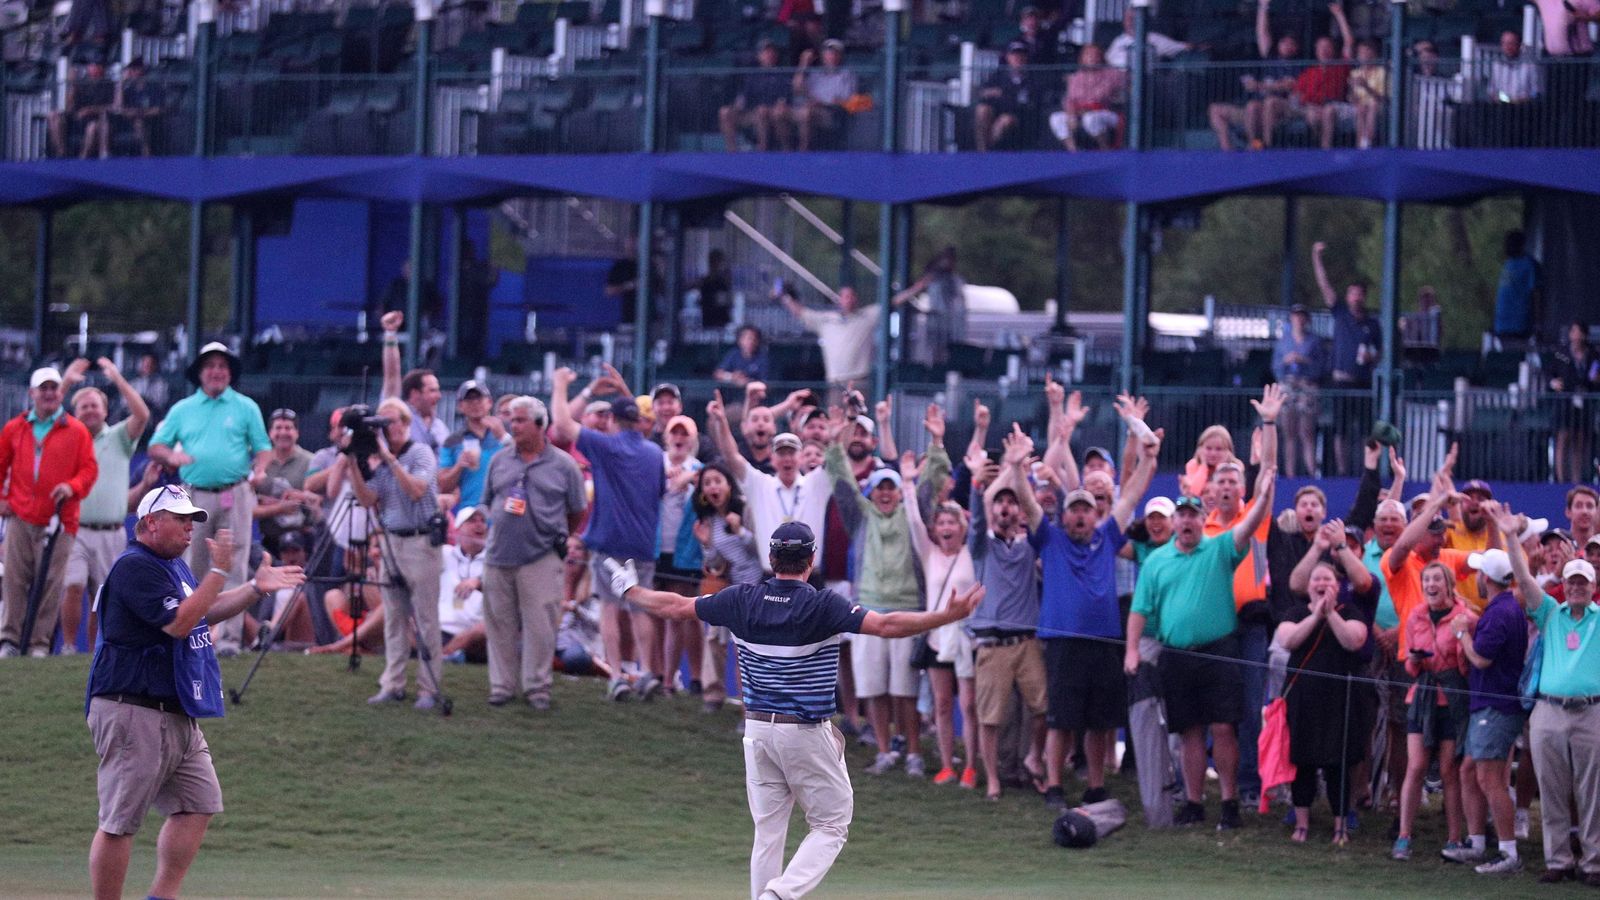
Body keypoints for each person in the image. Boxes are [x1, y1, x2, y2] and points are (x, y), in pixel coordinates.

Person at [606, 521, 985, 900]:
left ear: (771, 559)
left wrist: (631, 589)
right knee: (832, 823)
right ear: (811, 560)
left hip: (756, 732)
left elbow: (674, 606)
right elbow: (886, 625)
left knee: (768, 833)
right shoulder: (822, 604)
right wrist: (945, 617)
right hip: (804, 731)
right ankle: (780, 895)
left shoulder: (740, 599)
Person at [86, 486, 302, 900]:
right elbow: (180, 623)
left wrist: (254, 589)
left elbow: (205, 608)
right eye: (179, 519)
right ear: (149, 523)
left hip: (177, 707)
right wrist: (219, 572)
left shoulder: (176, 568)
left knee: (198, 803)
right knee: (120, 822)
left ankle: (160, 897)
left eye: (192, 520)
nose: (189, 528)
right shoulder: (135, 566)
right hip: (132, 707)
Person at [1124, 464, 1276, 830]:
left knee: (1224, 728)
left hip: (1218, 649)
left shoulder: (1220, 547)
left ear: (1203, 520)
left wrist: (1265, 492)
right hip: (1175, 655)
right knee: (1189, 731)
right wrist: (1131, 650)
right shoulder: (1157, 560)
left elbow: (1253, 521)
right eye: (1183, 516)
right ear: (1175, 521)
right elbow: (1139, 609)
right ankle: (1193, 801)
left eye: (1194, 516)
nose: (1188, 523)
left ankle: (1228, 801)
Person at [1035, 395, 1161, 809]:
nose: (1080, 516)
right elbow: (1024, 495)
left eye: (1087, 511)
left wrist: (1148, 457)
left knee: (1099, 723)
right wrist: (1020, 467)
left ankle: (1094, 786)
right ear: (1065, 515)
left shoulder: (1107, 536)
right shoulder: (1050, 539)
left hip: (1104, 640)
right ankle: (1055, 785)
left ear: (1095, 516)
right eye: (1074, 510)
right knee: (1061, 720)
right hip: (1063, 643)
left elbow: (1135, 488)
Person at [826, 406, 948, 777]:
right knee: (874, 688)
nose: (884, 493)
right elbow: (841, 480)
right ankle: (883, 750)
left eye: (890, 487)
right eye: (878, 487)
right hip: (867, 613)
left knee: (905, 690)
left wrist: (937, 441)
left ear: (898, 491)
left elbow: (930, 482)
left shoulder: (914, 515)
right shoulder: (860, 516)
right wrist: (834, 442)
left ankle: (912, 751)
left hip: (908, 611)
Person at [549, 364, 667, 702]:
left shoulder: (606, 446)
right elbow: (659, 491)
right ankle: (646, 672)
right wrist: (623, 391)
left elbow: (561, 423)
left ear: (614, 422)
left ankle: (616, 675)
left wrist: (561, 384)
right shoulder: (654, 452)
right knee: (641, 608)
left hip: (610, 541)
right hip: (643, 543)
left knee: (611, 609)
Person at [1497, 503, 1600, 885]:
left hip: (1592, 712)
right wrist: (1510, 537)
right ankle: (1558, 861)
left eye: (1582, 582)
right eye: (1571, 580)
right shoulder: (1551, 612)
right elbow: (1524, 581)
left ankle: (1593, 864)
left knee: (1592, 793)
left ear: (1593, 587)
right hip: (1549, 712)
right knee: (1552, 790)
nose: (1575, 586)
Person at [147, 341, 271, 654]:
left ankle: (229, 640)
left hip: (235, 492)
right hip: (193, 496)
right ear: (200, 373)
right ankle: (192, 632)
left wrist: (260, 469)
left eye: (222, 367)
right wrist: (172, 459)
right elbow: (157, 446)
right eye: (211, 366)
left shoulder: (246, 407)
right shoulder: (183, 409)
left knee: (236, 560)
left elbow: (263, 448)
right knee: (191, 563)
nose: (217, 372)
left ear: (229, 373)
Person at [477, 396, 586, 709]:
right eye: (512, 419)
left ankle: (537, 687)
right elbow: (488, 500)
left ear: (541, 425)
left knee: (541, 626)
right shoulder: (499, 460)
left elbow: (576, 511)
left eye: (521, 420)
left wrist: (553, 534)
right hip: (498, 555)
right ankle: (502, 686)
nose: (514, 425)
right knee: (500, 625)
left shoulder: (564, 466)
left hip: (541, 556)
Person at [1276, 526, 1376, 845]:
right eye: (1317, 580)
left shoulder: (1352, 610)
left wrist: (1331, 615)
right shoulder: (1294, 611)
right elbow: (1288, 640)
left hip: (1340, 700)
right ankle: (1302, 825)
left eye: (1328, 580)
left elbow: (1354, 640)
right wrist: (1315, 615)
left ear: (1338, 585)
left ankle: (1339, 827)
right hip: (1303, 698)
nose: (1322, 584)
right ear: (1309, 587)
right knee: (1302, 760)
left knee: (1339, 763)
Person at [345, 398, 447, 710]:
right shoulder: (381, 460)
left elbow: (417, 489)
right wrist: (351, 461)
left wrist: (389, 458)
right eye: (381, 424)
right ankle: (393, 683)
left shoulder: (420, 452)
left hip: (420, 541)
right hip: (392, 541)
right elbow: (367, 499)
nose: (385, 430)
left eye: (390, 423)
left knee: (426, 619)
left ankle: (429, 689)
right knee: (394, 617)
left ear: (404, 423)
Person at [0, 366, 98, 657]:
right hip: (20, 516)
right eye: (43, 388)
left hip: (60, 520)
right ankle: (9, 640)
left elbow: (90, 470)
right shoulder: (15, 428)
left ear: (60, 393)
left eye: (54, 388)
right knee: (15, 579)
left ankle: (39, 644)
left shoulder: (76, 430)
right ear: (32, 394)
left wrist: (71, 487)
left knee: (52, 584)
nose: (49, 394)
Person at [1444, 542, 1528, 873]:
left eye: (1480, 574)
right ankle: (1477, 842)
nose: (1476, 578)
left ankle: (1508, 853)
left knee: (1491, 779)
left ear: (1487, 578)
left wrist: (1462, 634)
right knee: (1469, 771)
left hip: (1495, 706)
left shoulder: (1500, 614)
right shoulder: (1504, 609)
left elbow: (1481, 657)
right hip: (1492, 705)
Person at [900, 432, 978, 789]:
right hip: (935, 640)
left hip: (966, 638)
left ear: (963, 528)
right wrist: (907, 484)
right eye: (942, 524)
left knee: (970, 708)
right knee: (943, 706)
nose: (946, 528)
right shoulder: (929, 553)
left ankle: (972, 766)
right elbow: (914, 521)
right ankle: (947, 764)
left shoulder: (971, 553)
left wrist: (975, 479)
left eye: (953, 523)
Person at [57, 357, 151, 655]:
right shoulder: (68, 438)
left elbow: (142, 414)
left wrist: (118, 379)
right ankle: (70, 648)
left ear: (105, 411)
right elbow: (44, 416)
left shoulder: (120, 437)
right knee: (72, 585)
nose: (89, 410)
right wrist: (67, 382)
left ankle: (97, 651)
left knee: (103, 596)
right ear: (75, 413)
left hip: (112, 532)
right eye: (83, 406)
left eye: (94, 405)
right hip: (76, 529)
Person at [1392, 560, 1470, 860]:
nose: (1431, 585)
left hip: (1450, 700)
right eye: (1426, 580)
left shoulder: (1464, 617)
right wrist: (1414, 659)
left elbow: (1465, 666)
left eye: (1437, 579)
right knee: (1416, 766)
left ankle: (1454, 838)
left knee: (1450, 771)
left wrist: (1461, 646)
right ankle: (1403, 836)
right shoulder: (1416, 616)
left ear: (1449, 585)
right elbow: (1410, 668)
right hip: (1422, 696)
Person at [1313, 241, 1381, 475]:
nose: (1356, 297)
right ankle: (1342, 471)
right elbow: (1324, 286)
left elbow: (1381, 352)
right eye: (1352, 293)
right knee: (1340, 429)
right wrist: (1316, 257)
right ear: (1348, 296)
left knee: (1364, 430)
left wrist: (1371, 356)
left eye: (1360, 294)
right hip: (1341, 381)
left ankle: (1366, 469)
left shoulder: (1372, 324)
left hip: (1363, 382)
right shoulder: (1340, 314)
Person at [1207, 0, 1300, 151]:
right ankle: (1229, 152)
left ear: (1297, 48)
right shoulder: (1270, 58)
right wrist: (1263, 6)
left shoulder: (1298, 65)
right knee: (1215, 109)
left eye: (1291, 44)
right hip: (1255, 111)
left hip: (1280, 110)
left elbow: (1289, 84)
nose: (1287, 46)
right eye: (1284, 42)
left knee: (1264, 104)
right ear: (1278, 44)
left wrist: (1260, 86)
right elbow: (1262, 32)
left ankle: (1263, 146)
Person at [1263, 6, 1353, 150]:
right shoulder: (1308, 72)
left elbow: (1349, 42)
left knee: (1316, 115)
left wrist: (1339, 14)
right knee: (1271, 102)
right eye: (1321, 47)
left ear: (1333, 50)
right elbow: (1296, 95)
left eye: (1327, 47)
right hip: (1304, 107)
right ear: (1316, 50)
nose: (1324, 50)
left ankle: (1324, 150)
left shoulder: (1341, 66)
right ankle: (1266, 146)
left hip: (1327, 108)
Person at [781, 286, 881, 396]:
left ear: (856, 299)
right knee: (835, 411)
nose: (849, 299)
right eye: (846, 296)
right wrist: (786, 297)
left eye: (852, 296)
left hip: (859, 380)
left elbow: (890, 304)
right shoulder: (827, 320)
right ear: (839, 300)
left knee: (858, 412)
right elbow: (801, 312)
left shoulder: (867, 316)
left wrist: (904, 292)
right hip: (835, 382)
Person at [378, 312, 448, 455]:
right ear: (415, 394)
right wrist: (390, 334)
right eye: (432, 390)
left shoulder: (441, 427)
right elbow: (392, 374)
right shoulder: (398, 415)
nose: (439, 396)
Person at [252, 408, 318, 555]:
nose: (283, 433)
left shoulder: (312, 462)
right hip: (268, 542)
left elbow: (322, 501)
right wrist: (278, 507)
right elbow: (248, 507)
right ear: (270, 433)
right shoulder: (259, 464)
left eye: (288, 428)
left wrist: (301, 498)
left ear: (297, 432)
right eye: (278, 428)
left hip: (304, 543)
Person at [1273, 304, 1326, 477]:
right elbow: (1275, 367)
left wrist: (1304, 361)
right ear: (1291, 319)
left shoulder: (1315, 341)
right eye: (1296, 316)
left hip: (1307, 385)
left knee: (1307, 431)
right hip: (1287, 385)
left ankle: (1311, 473)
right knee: (1289, 432)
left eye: (1302, 316)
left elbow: (1321, 367)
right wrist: (1286, 362)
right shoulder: (1283, 342)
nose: (1299, 319)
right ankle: (1290, 474)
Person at [439, 380, 508, 513]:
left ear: (489, 402)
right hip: (468, 513)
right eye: (469, 400)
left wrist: (503, 437)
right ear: (460, 406)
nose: (475, 403)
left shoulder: (505, 434)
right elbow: (443, 487)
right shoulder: (453, 441)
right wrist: (458, 466)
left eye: (479, 399)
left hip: (501, 511)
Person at [892, 247, 968, 369]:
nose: (948, 264)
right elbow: (899, 299)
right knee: (934, 357)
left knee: (950, 358)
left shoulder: (955, 280)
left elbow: (959, 305)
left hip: (952, 329)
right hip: (935, 328)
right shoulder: (932, 279)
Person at [720, 38, 795, 152]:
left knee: (762, 111)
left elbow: (785, 99)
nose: (768, 55)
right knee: (725, 112)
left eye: (771, 52)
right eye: (765, 52)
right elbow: (743, 99)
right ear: (759, 56)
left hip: (772, 112)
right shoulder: (752, 75)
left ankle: (762, 149)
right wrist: (737, 107)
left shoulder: (783, 74)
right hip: (751, 112)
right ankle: (732, 151)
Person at [1051, 45, 1127, 152]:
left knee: (1090, 119)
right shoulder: (1076, 77)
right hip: (1079, 113)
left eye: (1095, 54)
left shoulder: (1112, 74)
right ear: (1082, 59)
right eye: (1088, 55)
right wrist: (1071, 115)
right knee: (1056, 118)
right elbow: (1069, 100)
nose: (1092, 57)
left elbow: (1100, 98)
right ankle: (1073, 151)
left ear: (1101, 57)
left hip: (1107, 112)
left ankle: (1105, 149)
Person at [790, 39, 858, 151]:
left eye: (836, 53)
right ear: (823, 55)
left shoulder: (847, 75)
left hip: (833, 113)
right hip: (807, 108)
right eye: (829, 53)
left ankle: (803, 150)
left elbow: (846, 101)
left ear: (841, 56)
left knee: (807, 113)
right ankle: (783, 150)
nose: (832, 56)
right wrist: (804, 64)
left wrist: (821, 103)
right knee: (780, 113)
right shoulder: (815, 74)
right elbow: (797, 88)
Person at [974, 41, 1039, 152]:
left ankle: (989, 149)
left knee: (1005, 120)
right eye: (1014, 54)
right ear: (1008, 57)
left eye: (1021, 54)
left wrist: (1004, 94)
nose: (1018, 58)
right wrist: (994, 93)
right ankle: (982, 151)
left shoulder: (1032, 79)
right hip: (997, 111)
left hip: (1021, 117)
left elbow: (1026, 102)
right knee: (982, 110)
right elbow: (983, 92)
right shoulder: (999, 76)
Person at [1493, 230, 1539, 343]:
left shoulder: (1528, 264)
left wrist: (1538, 322)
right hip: (1501, 324)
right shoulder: (1508, 263)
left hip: (1518, 324)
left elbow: (1536, 294)